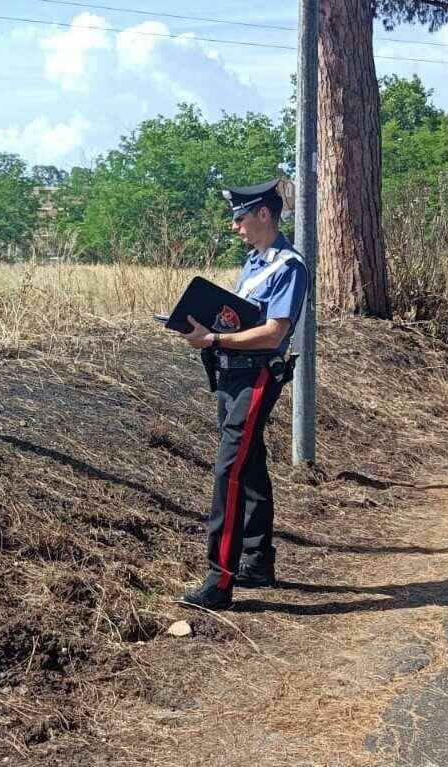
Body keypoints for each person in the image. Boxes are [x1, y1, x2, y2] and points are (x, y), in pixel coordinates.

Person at [177, 179, 308, 611]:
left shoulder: (288, 267)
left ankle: (220, 578)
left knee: (228, 470)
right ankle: (257, 559)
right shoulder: (255, 264)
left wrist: (213, 339)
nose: (235, 227)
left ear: (264, 215)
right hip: (232, 376)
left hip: (256, 376)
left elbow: (274, 331)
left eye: (240, 217)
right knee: (249, 464)